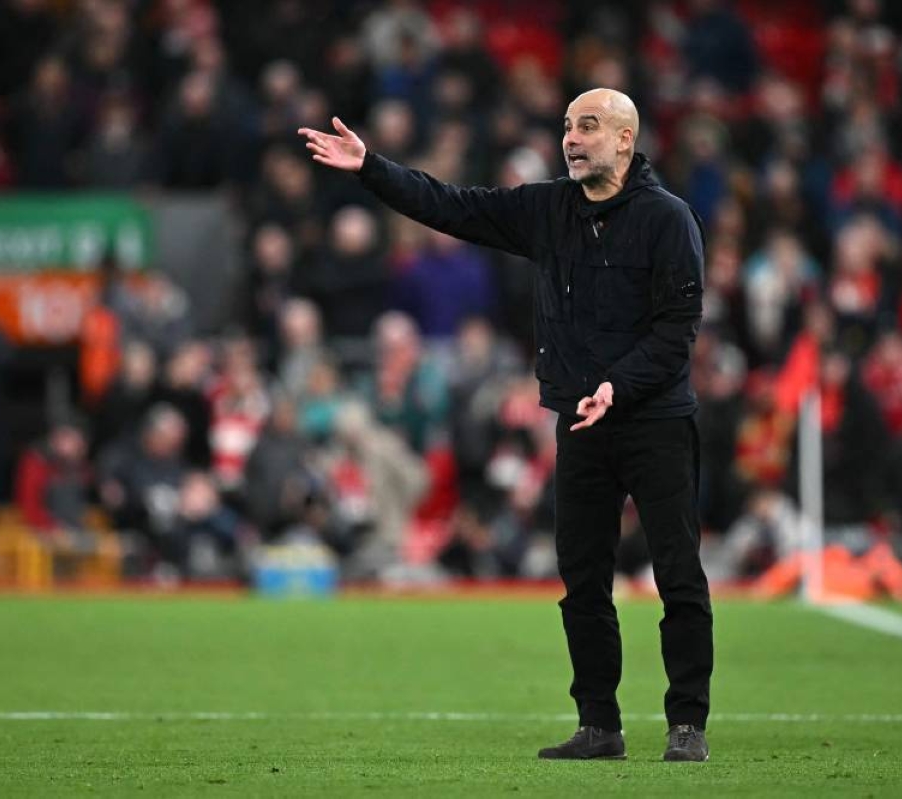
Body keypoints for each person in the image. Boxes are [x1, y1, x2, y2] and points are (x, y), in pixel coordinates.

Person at [299, 88, 713, 762]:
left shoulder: (669, 219)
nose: (571, 138)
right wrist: (372, 166)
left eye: (588, 126)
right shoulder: (548, 209)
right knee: (583, 579)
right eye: (567, 126)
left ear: (625, 140)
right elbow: (452, 206)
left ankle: (687, 723)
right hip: (581, 423)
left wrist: (618, 385)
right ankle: (599, 724)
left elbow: (679, 328)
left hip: (656, 420)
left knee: (678, 574)